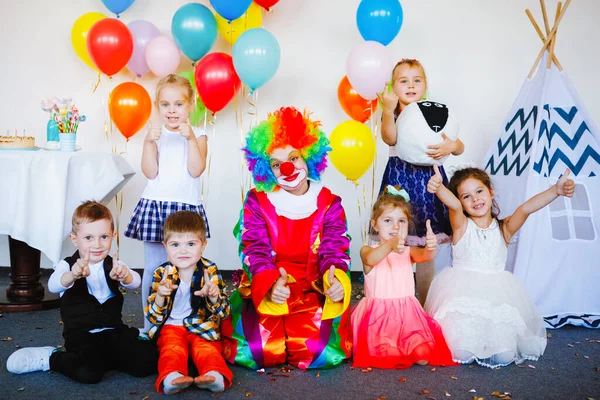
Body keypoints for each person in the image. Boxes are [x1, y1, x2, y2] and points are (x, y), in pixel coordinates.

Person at [221, 106, 352, 370]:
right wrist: (269, 284)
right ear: (266, 170)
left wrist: (335, 278)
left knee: (315, 351)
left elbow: (335, 247)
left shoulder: (328, 203)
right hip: (268, 285)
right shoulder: (257, 201)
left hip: (312, 286)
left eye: (294, 157)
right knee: (261, 351)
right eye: (276, 164)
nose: (287, 168)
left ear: (309, 158)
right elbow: (253, 247)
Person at [424, 166, 575, 368]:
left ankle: (490, 339)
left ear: (490, 192)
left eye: (479, 191)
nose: (475, 199)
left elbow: (526, 208)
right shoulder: (461, 225)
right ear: (460, 201)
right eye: (466, 196)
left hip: (497, 297)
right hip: (461, 296)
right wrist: (439, 187)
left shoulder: (504, 228)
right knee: (460, 351)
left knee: (504, 355)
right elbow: (454, 206)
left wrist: (555, 191)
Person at [6, 201, 157, 383]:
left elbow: (136, 282)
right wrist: (72, 275)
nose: (97, 244)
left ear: (113, 236)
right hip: (81, 336)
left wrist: (125, 276)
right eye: (88, 238)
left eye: (104, 237)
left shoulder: (115, 264)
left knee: (146, 363)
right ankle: (51, 358)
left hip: (113, 330)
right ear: (74, 238)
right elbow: (54, 285)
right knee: (88, 373)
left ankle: (116, 352)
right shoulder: (67, 265)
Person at [124, 74, 209, 333]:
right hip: (157, 205)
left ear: (191, 104)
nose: (172, 110)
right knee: (153, 266)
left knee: (186, 265)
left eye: (178, 104)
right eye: (165, 104)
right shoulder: (154, 135)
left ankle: (184, 320)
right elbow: (150, 172)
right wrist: (149, 142)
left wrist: (191, 139)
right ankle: (151, 324)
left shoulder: (200, 136)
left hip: (185, 208)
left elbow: (196, 170)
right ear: (157, 105)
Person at [378, 59, 464, 306]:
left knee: (428, 246)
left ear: (425, 85)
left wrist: (451, 145)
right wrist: (387, 110)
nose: (411, 85)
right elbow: (389, 137)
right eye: (403, 81)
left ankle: (425, 306)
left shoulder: (433, 111)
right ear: (393, 87)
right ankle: (396, 302)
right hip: (400, 179)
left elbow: (459, 146)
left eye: (417, 80)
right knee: (397, 241)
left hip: (429, 181)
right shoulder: (393, 111)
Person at [351, 186, 456, 369]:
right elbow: (370, 259)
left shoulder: (408, 252)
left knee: (423, 355)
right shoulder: (368, 250)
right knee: (388, 355)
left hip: (407, 317)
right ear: (375, 225)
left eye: (402, 221)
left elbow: (426, 256)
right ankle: (393, 346)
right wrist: (390, 244)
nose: (396, 226)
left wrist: (431, 246)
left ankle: (407, 345)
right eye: (388, 221)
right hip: (378, 318)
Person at [145, 210, 232, 395]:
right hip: (170, 327)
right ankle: (172, 378)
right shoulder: (162, 274)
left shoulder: (210, 270)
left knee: (207, 349)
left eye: (191, 244)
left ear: (203, 245)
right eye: (175, 244)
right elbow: (153, 316)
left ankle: (214, 376)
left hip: (202, 325)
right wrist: (160, 295)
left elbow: (224, 313)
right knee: (171, 349)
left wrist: (214, 296)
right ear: (165, 246)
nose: (183, 251)